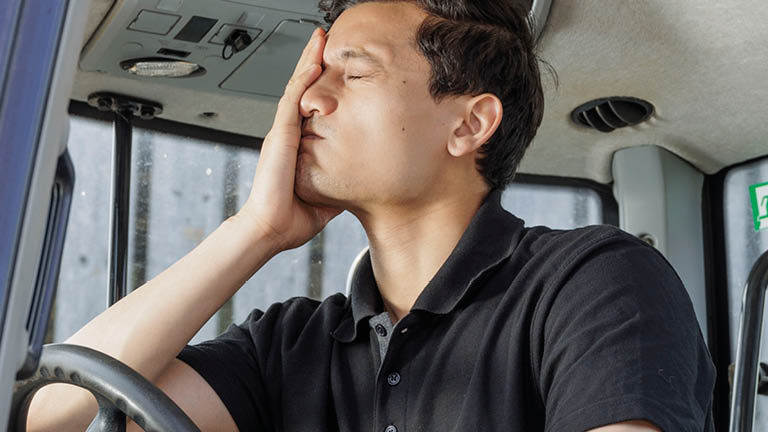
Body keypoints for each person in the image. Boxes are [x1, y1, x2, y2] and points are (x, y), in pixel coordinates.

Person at [28, 0, 716, 431]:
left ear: (469, 123)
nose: (305, 102)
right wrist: (254, 232)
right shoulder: (292, 346)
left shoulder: (595, 284)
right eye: (309, 78)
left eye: (351, 74)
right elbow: (48, 411)